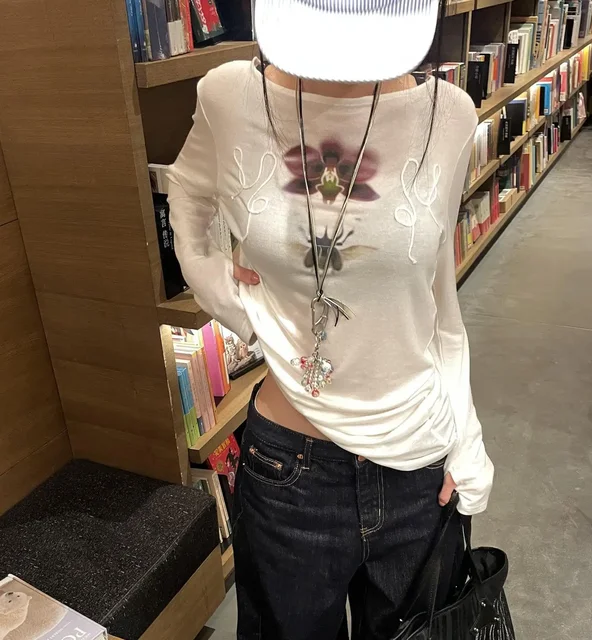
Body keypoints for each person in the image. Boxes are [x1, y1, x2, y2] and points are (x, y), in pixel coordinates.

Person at [167, 0, 494, 637]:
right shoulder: (229, 96)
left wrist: (467, 437)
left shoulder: (448, 115)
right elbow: (186, 188)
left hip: (418, 467)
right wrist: (227, 297)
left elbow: (436, 298)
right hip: (288, 473)